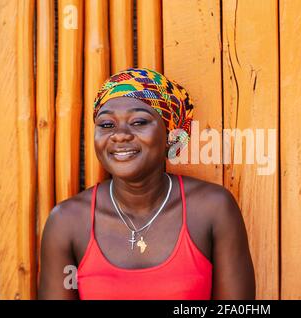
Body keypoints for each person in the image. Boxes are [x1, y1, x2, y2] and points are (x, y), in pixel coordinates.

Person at [38, 68, 255, 300]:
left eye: (139, 122)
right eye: (107, 125)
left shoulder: (213, 209)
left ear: (171, 136)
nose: (120, 135)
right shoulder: (67, 221)